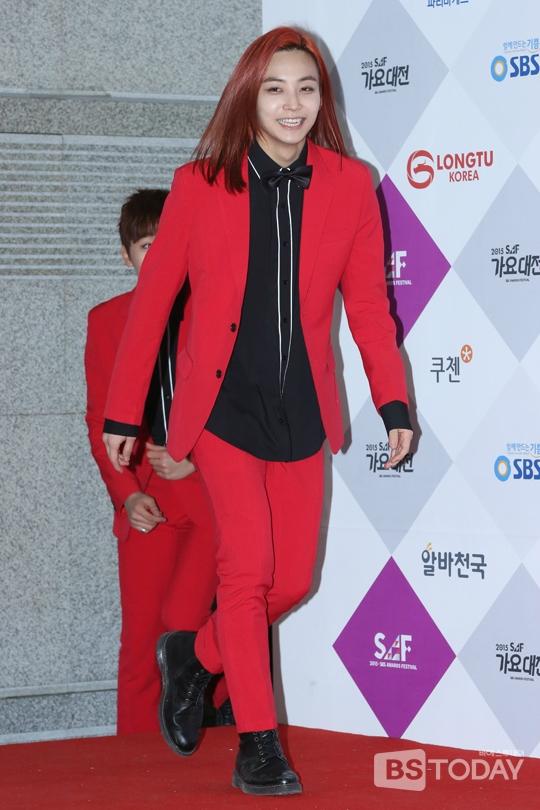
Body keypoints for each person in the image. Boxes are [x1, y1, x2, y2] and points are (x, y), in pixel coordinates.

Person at [102, 28, 413, 795]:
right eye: (276, 88)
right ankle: (259, 744)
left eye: (307, 88)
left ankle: (194, 657)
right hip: (222, 411)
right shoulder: (200, 184)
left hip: (301, 410)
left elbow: (368, 308)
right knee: (245, 573)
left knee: (292, 580)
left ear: (322, 99)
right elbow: (152, 307)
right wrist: (123, 412)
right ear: (250, 96)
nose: (292, 104)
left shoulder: (351, 185)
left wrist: (393, 400)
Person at [85, 189, 230, 734]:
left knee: (193, 625)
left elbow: (235, 403)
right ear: (126, 255)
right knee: (143, 641)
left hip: (209, 494)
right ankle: (134, 760)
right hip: (146, 498)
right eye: (148, 245)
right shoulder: (107, 320)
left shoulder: (215, 312)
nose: (160, 254)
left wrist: (196, 459)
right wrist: (127, 495)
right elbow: (99, 420)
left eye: (170, 243)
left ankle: (223, 731)